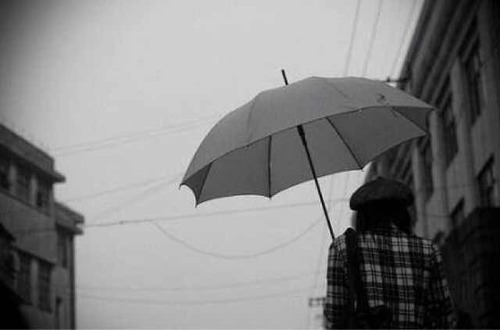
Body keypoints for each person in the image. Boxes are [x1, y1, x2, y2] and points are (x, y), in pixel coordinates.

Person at [324, 177, 455, 329]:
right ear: (403, 213)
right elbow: (446, 317)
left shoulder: (342, 248)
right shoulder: (428, 250)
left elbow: (335, 313)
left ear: (363, 216)